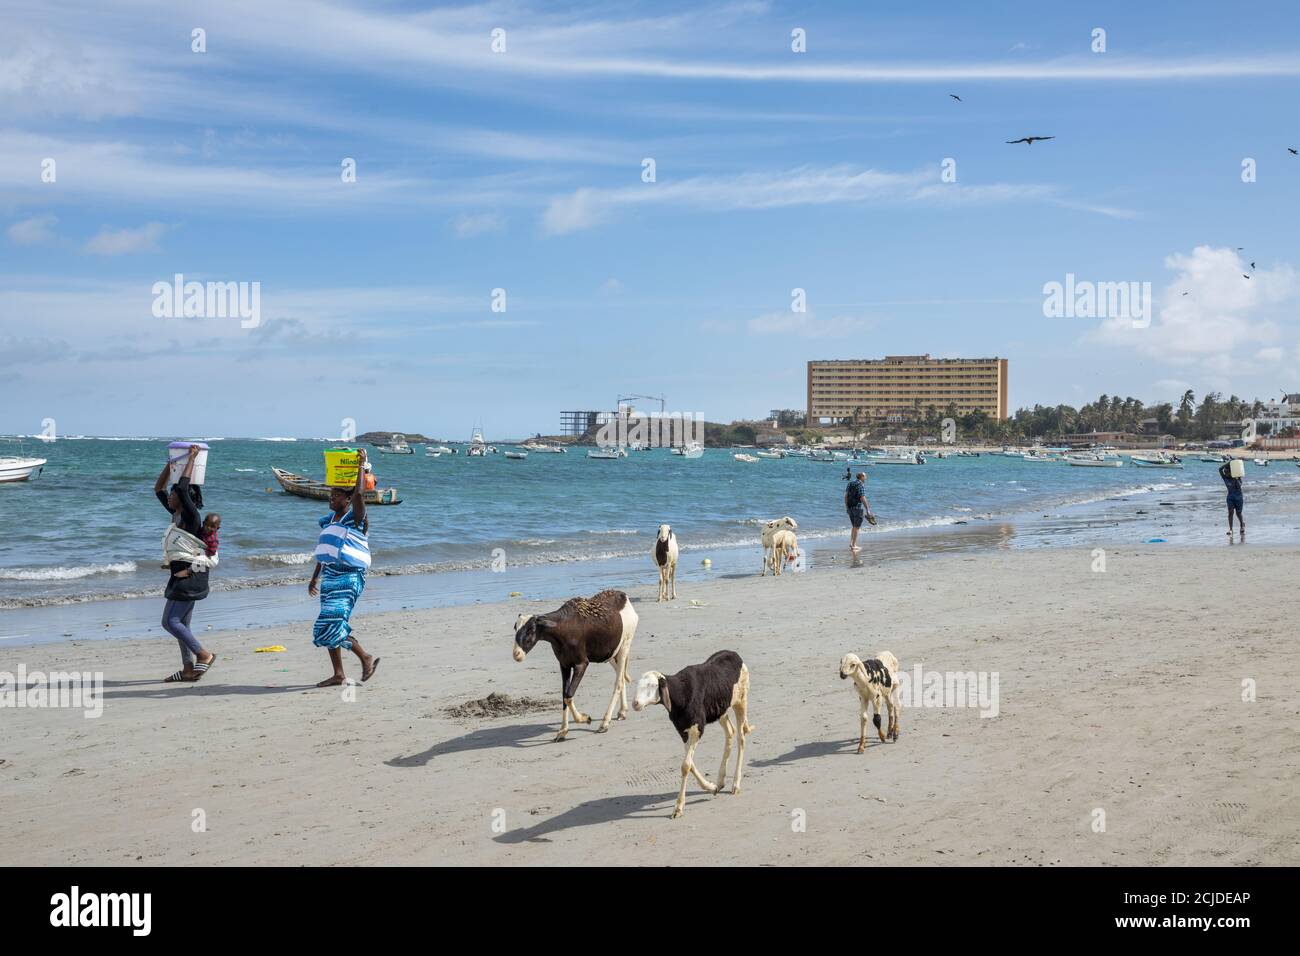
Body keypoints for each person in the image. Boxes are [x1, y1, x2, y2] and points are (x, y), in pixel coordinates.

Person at [309, 448, 380, 687]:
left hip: (349, 578)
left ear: (348, 500)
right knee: (325, 626)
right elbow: (325, 551)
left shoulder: (356, 519)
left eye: (336, 495)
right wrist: (314, 578)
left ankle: (365, 657)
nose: (331, 498)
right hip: (329, 577)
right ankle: (338, 673)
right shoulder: (328, 522)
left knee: (333, 622)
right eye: (331, 495)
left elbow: (360, 493)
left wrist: (361, 464)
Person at [153, 445, 216, 682]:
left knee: (170, 622)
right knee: (181, 624)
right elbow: (158, 488)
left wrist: (191, 457)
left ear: (183, 497)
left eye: (174, 493)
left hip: (191, 576)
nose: (170, 495)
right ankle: (188, 668)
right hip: (181, 575)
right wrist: (172, 465)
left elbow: (181, 486)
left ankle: (204, 654)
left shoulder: (191, 517)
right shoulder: (175, 514)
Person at [845, 470, 871, 553]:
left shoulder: (850, 483)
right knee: (857, 527)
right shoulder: (860, 485)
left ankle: (851, 543)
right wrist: (868, 509)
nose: (866, 478)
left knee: (854, 526)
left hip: (850, 507)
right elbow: (862, 497)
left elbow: (846, 495)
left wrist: (846, 507)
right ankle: (854, 545)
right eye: (865, 476)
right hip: (857, 507)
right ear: (862, 477)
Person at [1219, 461, 1245, 539]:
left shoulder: (1237, 477)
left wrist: (1236, 478)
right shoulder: (1225, 478)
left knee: (1238, 513)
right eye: (1225, 472)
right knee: (1230, 513)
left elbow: (1240, 485)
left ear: (1231, 472)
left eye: (1227, 472)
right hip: (1230, 497)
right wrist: (1229, 463)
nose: (1225, 473)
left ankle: (1242, 525)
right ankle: (1230, 529)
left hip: (1238, 497)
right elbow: (1220, 469)